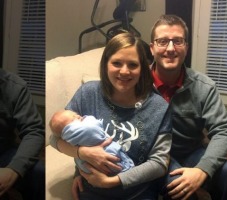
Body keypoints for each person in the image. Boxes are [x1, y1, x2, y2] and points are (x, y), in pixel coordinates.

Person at [49, 32, 172, 200]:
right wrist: (81, 154)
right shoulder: (88, 94)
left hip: (137, 193)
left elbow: (160, 163)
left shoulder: (159, 107)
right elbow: (54, 139)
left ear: (142, 68)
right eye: (116, 63)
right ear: (105, 64)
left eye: (132, 65)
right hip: (91, 191)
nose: (124, 71)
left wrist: (113, 181)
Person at [149, 14, 227, 200]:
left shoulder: (204, 86)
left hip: (191, 152)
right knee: (178, 185)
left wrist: (203, 169)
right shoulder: (137, 84)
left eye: (177, 41)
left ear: (186, 48)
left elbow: (223, 131)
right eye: (163, 41)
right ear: (152, 48)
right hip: (153, 155)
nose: (170, 48)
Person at [0, 68, 45, 200]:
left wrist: (14, 170)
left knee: (39, 173)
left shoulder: (14, 86)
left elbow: (34, 131)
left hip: (3, 151)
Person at [49, 110, 135, 174]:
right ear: (67, 131)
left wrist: (109, 182)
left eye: (75, 114)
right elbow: (53, 139)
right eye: (73, 119)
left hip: (123, 176)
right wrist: (81, 152)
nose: (79, 116)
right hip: (117, 166)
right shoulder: (82, 129)